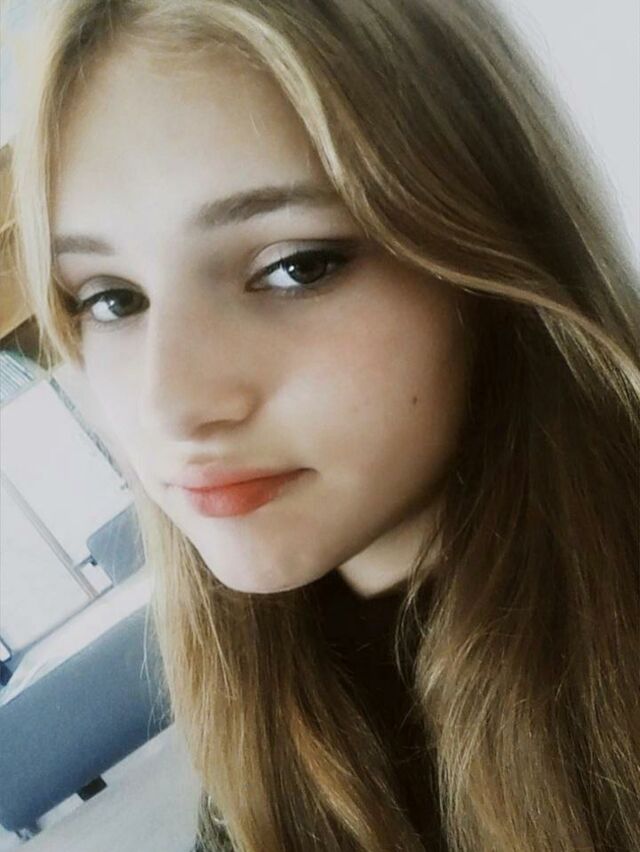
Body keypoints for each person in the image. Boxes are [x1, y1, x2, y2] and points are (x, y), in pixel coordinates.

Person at [11, 0, 639, 850]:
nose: (167, 405)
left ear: (492, 245)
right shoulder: (267, 716)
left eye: (296, 267)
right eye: (113, 299)